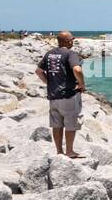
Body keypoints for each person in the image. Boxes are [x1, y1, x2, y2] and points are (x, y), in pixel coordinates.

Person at [35, 31, 86, 159]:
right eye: (71, 39)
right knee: (71, 123)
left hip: (53, 95)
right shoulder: (70, 53)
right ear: (67, 41)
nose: (72, 41)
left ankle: (59, 151)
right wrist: (81, 84)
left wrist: (49, 83)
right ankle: (69, 151)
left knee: (56, 124)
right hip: (68, 95)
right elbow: (77, 69)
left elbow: (39, 71)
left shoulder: (50, 53)